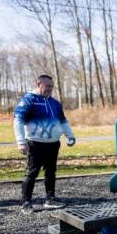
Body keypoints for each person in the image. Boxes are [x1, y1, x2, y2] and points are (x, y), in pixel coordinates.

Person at [13, 74, 76, 214]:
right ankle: (26, 203)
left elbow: (63, 121)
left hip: (53, 144)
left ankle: (50, 200)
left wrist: (70, 136)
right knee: (31, 173)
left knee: (51, 172)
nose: (50, 89)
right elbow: (18, 120)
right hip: (35, 144)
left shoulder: (55, 103)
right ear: (38, 84)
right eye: (47, 86)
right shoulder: (29, 100)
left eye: (52, 87)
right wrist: (21, 142)